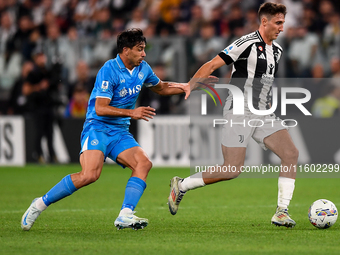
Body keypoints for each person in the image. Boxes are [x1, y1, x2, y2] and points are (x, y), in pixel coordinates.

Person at [21, 28, 196, 231]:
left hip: (120, 132)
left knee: (143, 163)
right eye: (139, 49)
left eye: (144, 49)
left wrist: (184, 86)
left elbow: (162, 87)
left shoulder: (143, 68)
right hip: (97, 128)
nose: (144, 54)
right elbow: (100, 108)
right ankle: (39, 204)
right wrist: (133, 113)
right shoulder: (109, 69)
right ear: (125, 50)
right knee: (90, 175)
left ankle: (125, 214)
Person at [168, 2, 299, 228]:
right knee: (231, 169)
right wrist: (191, 85)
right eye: (278, 23)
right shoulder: (245, 43)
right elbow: (212, 64)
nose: (282, 27)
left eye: (283, 23)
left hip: (263, 113)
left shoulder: (277, 50)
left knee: (291, 154)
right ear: (264, 21)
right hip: (239, 110)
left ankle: (281, 211)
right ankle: (182, 185)